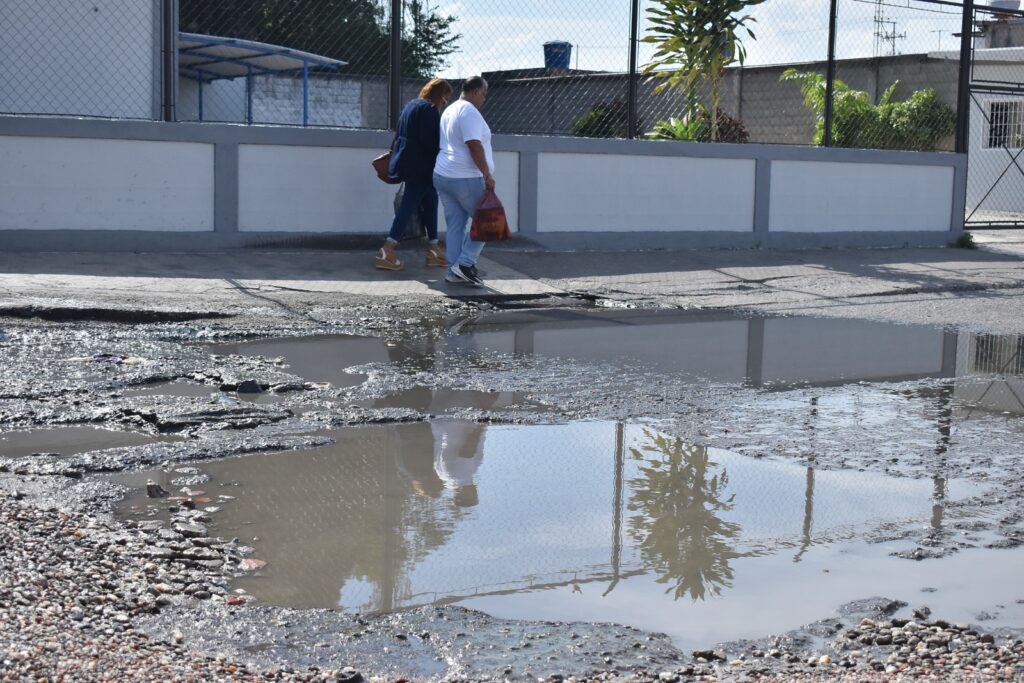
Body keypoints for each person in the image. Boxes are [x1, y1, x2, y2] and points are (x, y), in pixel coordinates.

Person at [375, 78, 453, 271]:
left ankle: (434, 248)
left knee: (431, 201)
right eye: (444, 97)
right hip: (422, 168)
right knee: (408, 206)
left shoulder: (411, 106)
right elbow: (430, 140)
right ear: (439, 94)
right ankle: (387, 250)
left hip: (409, 164)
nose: (444, 102)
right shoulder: (428, 110)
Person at [433, 76, 494, 287]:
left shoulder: (449, 110)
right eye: (484, 94)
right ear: (475, 91)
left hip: (443, 175)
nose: (484, 99)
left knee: (456, 226)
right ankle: (465, 264)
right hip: (465, 177)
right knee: (488, 221)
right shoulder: (468, 111)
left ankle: (453, 272)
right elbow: (474, 145)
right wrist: (487, 174)